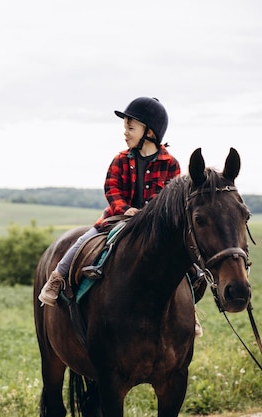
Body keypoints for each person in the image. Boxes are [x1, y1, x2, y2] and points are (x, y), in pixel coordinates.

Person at [37, 97, 201, 335]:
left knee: (185, 264)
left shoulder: (171, 164)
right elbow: (111, 188)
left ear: (150, 132)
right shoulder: (121, 159)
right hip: (118, 218)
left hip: (154, 226)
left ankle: (189, 311)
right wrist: (125, 210)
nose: (125, 133)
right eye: (125, 127)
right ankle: (57, 276)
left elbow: (170, 200)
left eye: (130, 128)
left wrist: (148, 216)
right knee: (84, 240)